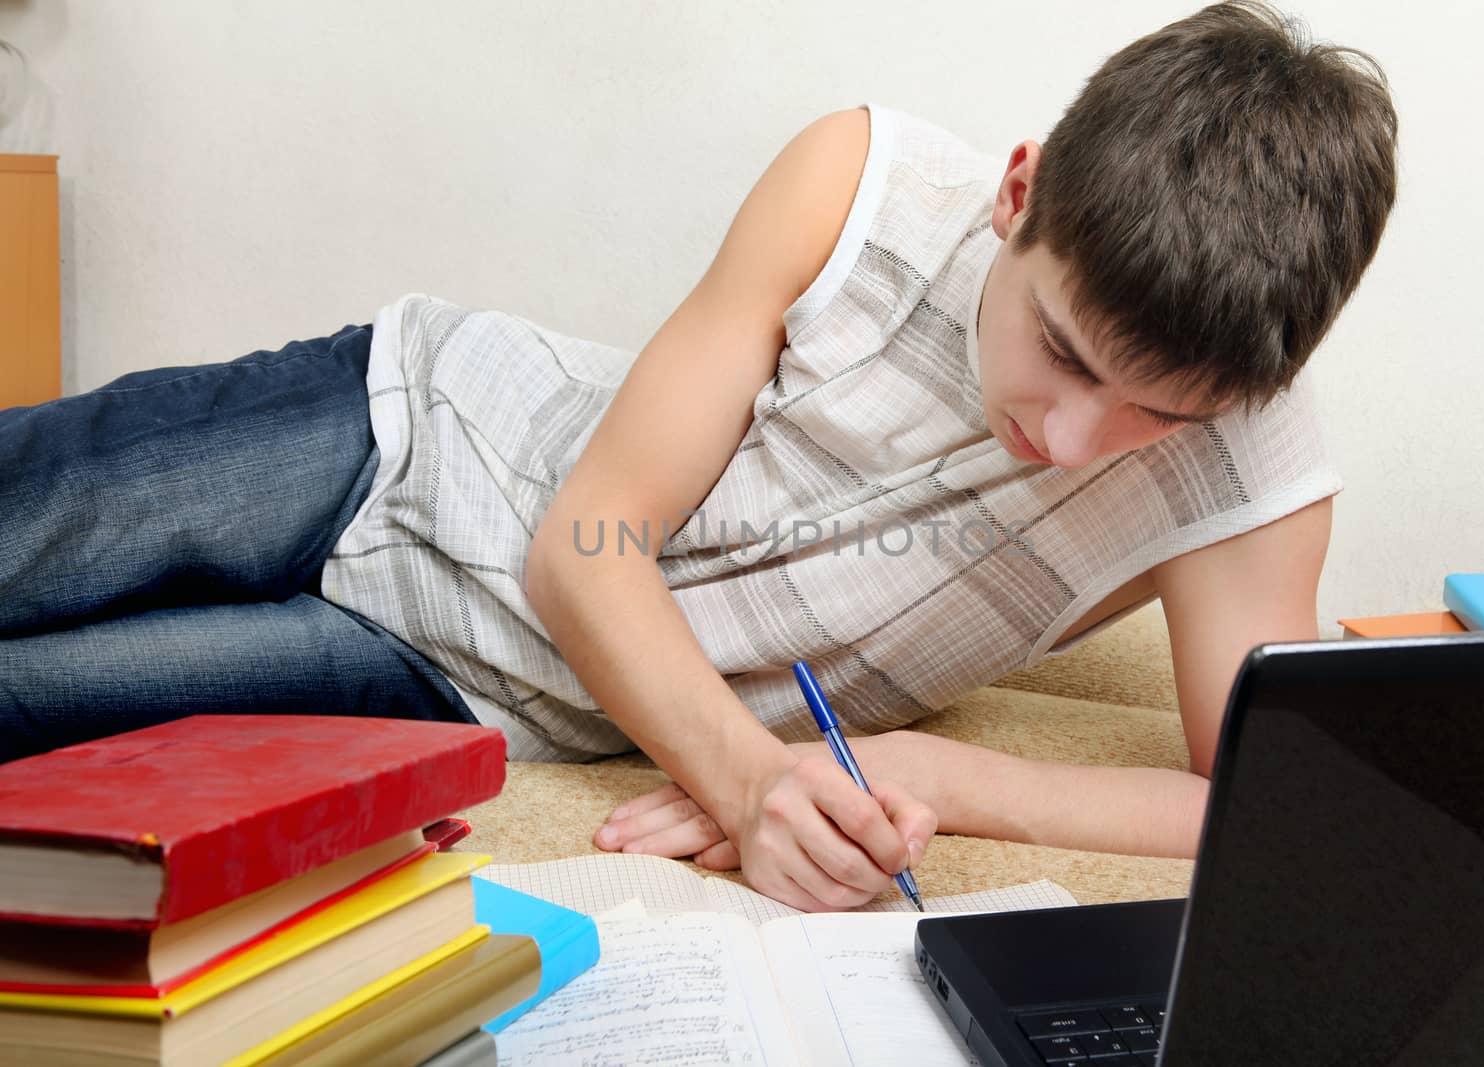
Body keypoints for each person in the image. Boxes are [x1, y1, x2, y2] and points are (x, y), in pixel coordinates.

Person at [0, 2, 1395, 913]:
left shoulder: (1251, 476)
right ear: (1018, 196)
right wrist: (750, 783)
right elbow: (588, 540)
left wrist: (941, 775)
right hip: (399, 432)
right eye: (1070, 356)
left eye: (1160, 418)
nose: (1075, 440)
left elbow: (1257, 807)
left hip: (465, 683)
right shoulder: (863, 181)